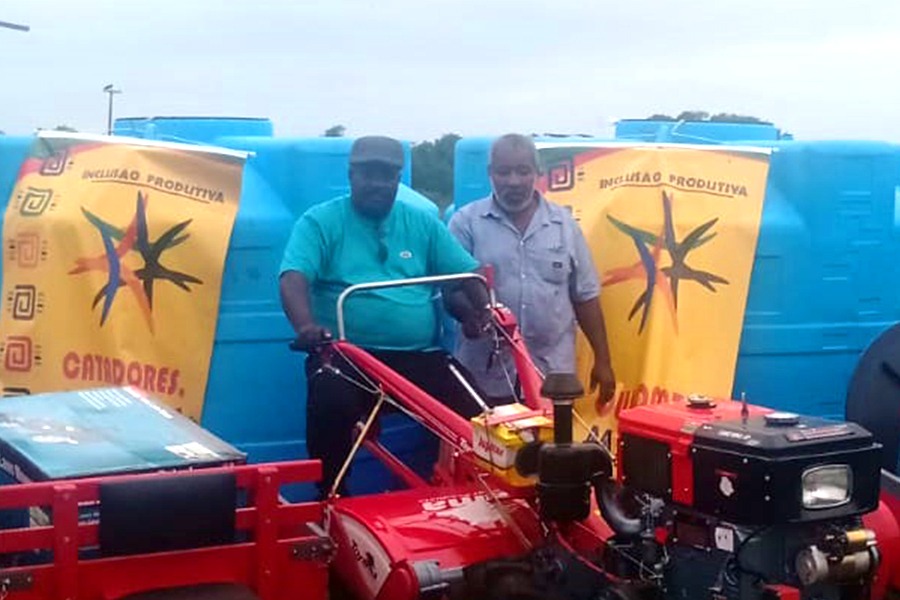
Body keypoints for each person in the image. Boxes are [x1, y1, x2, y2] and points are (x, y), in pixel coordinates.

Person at [279, 135, 489, 497]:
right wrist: (306, 327)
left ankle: (480, 497)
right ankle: (331, 495)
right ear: (351, 175)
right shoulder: (319, 222)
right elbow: (293, 276)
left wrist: (483, 311)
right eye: (368, 174)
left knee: (480, 414)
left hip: (419, 356)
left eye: (387, 175)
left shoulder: (422, 223)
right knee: (330, 398)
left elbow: (466, 273)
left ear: (398, 179)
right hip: (348, 355)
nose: (377, 183)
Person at [447, 133, 616, 406]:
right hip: (486, 374)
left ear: (538, 173)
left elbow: (585, 296)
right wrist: (469, 316)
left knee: (550, 448)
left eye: (523, 171)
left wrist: (603, 361)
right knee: (488, 447)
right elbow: (451, 290)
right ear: (491, 173)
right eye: (504, 172)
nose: (513, 181)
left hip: (552, 376)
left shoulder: (564, 225)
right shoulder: (465, 224)